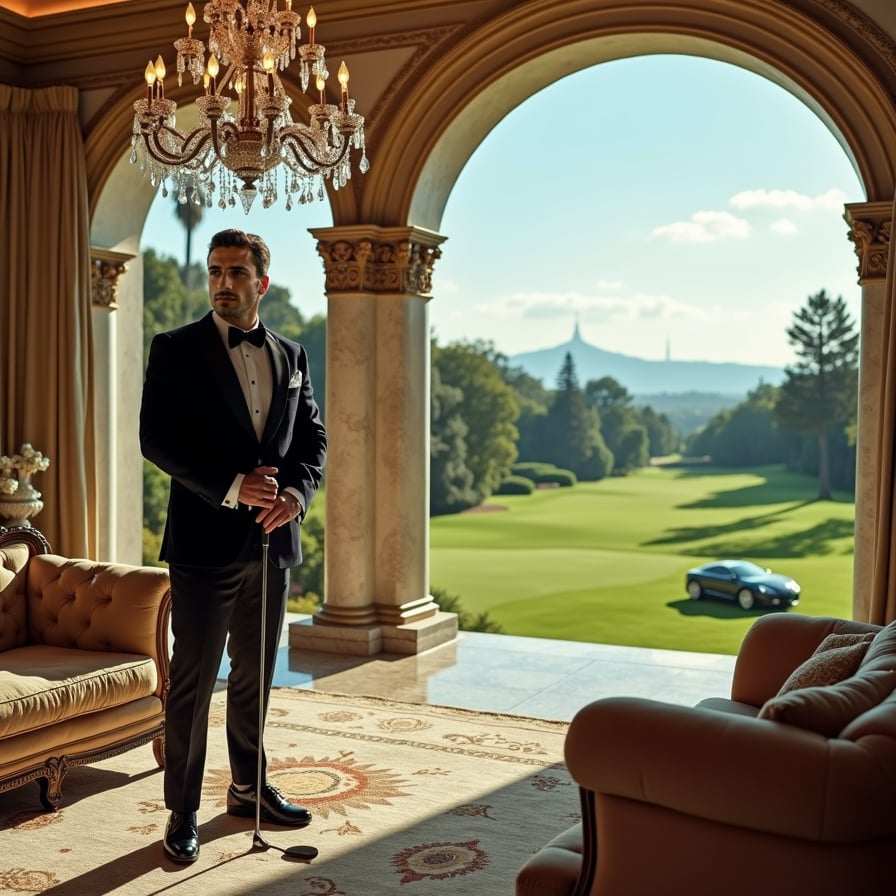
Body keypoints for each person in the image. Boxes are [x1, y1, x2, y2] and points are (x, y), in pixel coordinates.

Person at [139, 228, 327, 864]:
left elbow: (312, 443)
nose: (223, 282)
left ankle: (248, 788)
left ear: (261, 283)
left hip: (271, 546)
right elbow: (157, 440)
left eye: (236, 273)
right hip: (201, 545)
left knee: (256, 674)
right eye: (216, 271)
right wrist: (230, 488)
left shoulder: (293, 355)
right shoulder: (174, 350)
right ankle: (182, 811)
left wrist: (297, 495)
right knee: (193, 681)